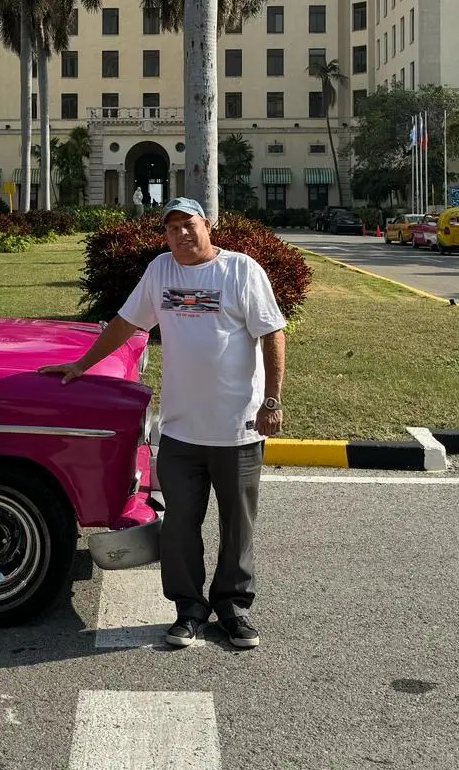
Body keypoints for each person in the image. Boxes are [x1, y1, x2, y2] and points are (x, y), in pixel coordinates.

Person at [39, 198, 286, 650]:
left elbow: (272, 332)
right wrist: (82, 364)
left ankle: (232, 608)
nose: (181, 235)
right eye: (171, 229)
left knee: (238, 524)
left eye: (188, 225)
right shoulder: (160, 271)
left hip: (237, 428)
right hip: (180, 429)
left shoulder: (240, 270)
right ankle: (188, 609)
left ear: (206, 225)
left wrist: (271, 401)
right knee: (179, 526)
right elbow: (125, 324)